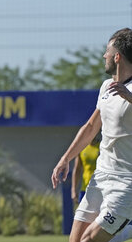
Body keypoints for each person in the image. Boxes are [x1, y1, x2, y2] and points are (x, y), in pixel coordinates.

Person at [52, 28, 132, 242]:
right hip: (100, 178)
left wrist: (131, 98)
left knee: (89, 240)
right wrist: (65, 158)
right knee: (75, 240)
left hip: (126, 184)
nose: (104, 56)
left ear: (117, 57)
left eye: (107, 51)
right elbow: (90, 127)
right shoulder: (107, 86)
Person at [71, 137, 100, 204]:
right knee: (80, 214)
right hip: (85, 188)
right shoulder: (82, 148)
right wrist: (73, 190)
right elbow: (77, 169)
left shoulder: (102, 146)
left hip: (99, 189)